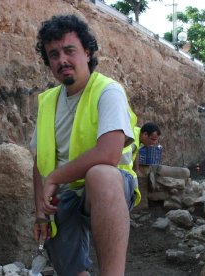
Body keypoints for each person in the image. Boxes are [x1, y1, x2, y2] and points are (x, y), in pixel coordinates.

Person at [30, 14, 140, 276]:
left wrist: (56, 176)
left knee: (101, 174)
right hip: (64, 195)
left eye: (69, 51)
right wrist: (40, 213)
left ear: (88, 52)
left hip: (109, 187)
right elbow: (38, 163)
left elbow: (109, 153)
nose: (62, 60)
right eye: (53, 55)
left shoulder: (107, 91)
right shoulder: (47, 102)